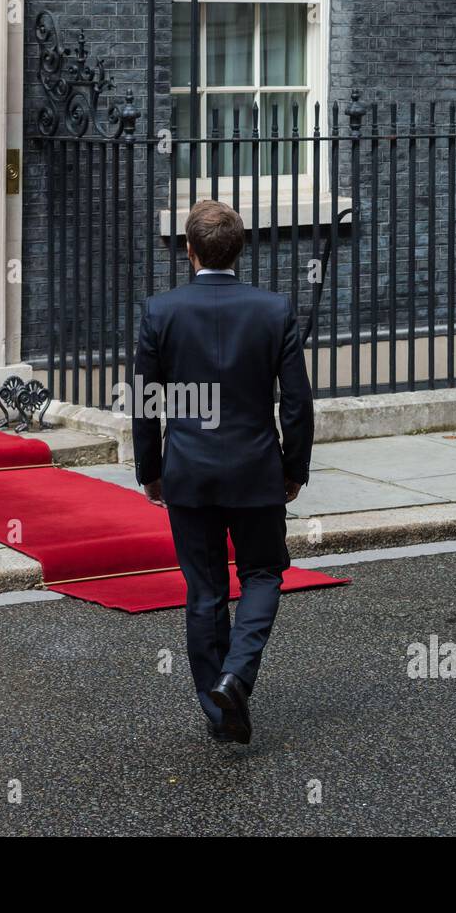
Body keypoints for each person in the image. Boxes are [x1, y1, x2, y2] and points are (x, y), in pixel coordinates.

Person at [131, 200, 314, 745]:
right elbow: (297, 402)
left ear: (188, 251)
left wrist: (150, 470)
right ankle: (235, 680)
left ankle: (220, 706)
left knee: (205, 589)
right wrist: (294, 467)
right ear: (240, 249)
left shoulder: (160, 312)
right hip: (256, 470)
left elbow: (145, 403)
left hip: (188, 472)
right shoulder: (273, 309)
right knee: (261, 574)